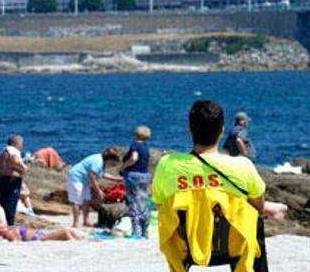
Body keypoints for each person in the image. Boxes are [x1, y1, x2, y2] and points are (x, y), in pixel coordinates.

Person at [152, 101, 285, 220]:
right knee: (276, 209)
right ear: (222, 131)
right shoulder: (244, 166)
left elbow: (160, 200)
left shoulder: (167, 164)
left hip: (185, 244)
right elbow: (258, 209)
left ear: (190, 130)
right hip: (229, 244)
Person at [67, 147, 123, 228]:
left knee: (86, 200)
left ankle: (86, 221)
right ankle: (76, 222)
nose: (113, 165)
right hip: (76, 177)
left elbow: (102, 174)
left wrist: (117, 179)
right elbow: (92, 177)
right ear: (110, 159)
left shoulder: (102, 161)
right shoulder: (98, 162)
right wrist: (98, 191)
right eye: (114, 163)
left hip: (85, 180)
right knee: (77, 201)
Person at [120, 126, 153, 238]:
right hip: (145, 176)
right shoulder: (146, 147)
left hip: (133, 176)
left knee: (134, 202)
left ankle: (136, 231)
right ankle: (145, 231)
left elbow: (134, 158)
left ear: (136, 134)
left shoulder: (135, 145)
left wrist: (123, 167)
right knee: (144, 202)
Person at [0, 134, 28, 227]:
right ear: (17, 143)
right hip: (10, 180)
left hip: (2, 179)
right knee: (10, 205)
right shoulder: (13, 150)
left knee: (4, 204)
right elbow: (15, 160)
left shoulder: (5, 150)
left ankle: (3, 225)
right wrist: (23, 168)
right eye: (21, 143)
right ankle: (9, 226)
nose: (22, 146)